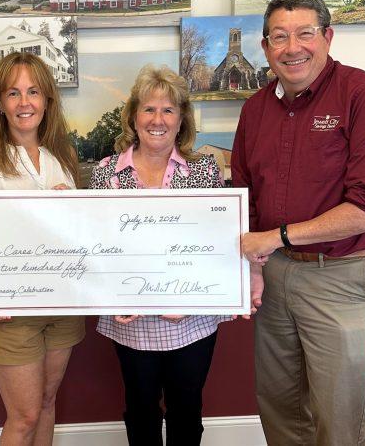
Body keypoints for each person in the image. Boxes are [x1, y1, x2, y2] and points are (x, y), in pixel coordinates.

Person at [232, 0, 365, 446]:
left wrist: (279, 237)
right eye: (278, 37)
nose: (292, 48)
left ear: (328, 36)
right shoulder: (255, 110)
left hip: (342, 276)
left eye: (304, 34)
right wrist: (255, 267)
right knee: (279, 404)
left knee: (337, 410)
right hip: (272, 277)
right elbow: (244, 198)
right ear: (266, 47)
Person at [89, 65, 231, 446]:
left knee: (187, 410)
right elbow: (97, 247)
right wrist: (112, 294)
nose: (158, 119)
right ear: (133, 116)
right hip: (130, 320)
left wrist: (192, 299)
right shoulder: (106, 174)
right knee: (140, 410)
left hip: (192, 320)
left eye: (168, 110)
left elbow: (217, 245)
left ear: (181, 119)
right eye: (149, 109)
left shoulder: (203, 171)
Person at [0, 51, 83, 446]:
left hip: (61, 305)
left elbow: (80, 234)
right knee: (23, 416)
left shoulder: (64, 157)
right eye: (13, 93)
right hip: (9, 311)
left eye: (33, 92)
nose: (24, 103)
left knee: (45, 402)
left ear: (47, 100)